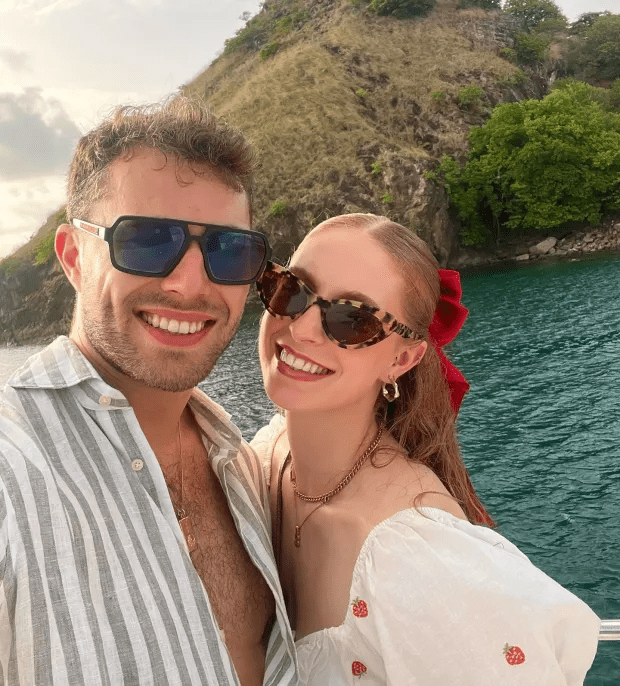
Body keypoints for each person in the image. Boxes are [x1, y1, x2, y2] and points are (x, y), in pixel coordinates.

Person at [0, 98, 296, 685]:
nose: (189, 284)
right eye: (145, 241)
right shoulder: (15, 467)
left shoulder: (238, 462)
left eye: (228, 251)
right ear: (73, 257)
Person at [251, 213, 600, 685]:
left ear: (403, 358)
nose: (303, 328)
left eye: (352, 319)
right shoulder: (269, 456)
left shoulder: (414, 560)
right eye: (291, 289)